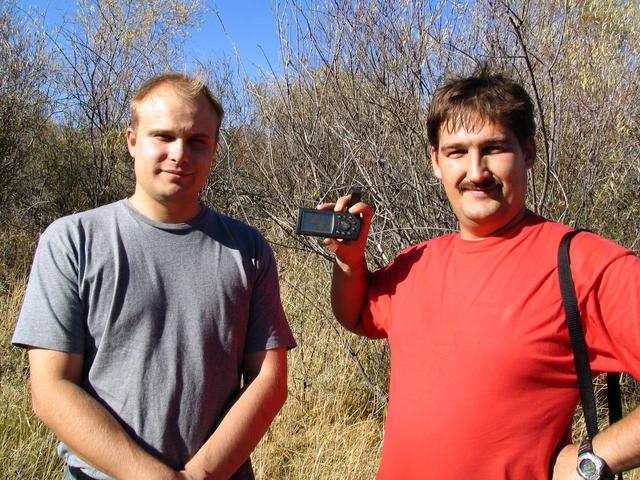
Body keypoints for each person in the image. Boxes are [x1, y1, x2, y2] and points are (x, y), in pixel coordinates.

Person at [324, 69, 640, 479]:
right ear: (436, 162)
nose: (476, 172)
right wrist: (350, 262)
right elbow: (356, 315)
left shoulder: (585, 265)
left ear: (527, 152)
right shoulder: (416, 263)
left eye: (493, 149)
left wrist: (592, 461)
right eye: (457, 152)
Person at [12, 73, 296, 480]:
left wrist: (199, 474)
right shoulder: (71, 240)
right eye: (162, 137)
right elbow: (51, 389)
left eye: (197, 141)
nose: (179, 154)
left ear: (214, 148)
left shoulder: (248, 249)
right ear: (132, 140)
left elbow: (269, 380)